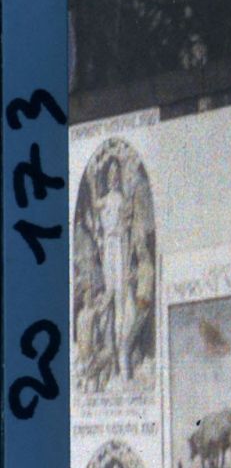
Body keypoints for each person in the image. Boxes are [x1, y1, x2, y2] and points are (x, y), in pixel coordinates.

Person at [93, 154, 132, 382]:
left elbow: (124, 234)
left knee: (121, 303)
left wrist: (125, 262)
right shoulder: (103, 201)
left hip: (118, 248)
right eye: (110, 174)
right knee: (109, 302)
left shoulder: (121, 200)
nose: (114, 177)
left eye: (116, 174)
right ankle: (111, 364)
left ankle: (123, 361)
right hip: (108, 249)